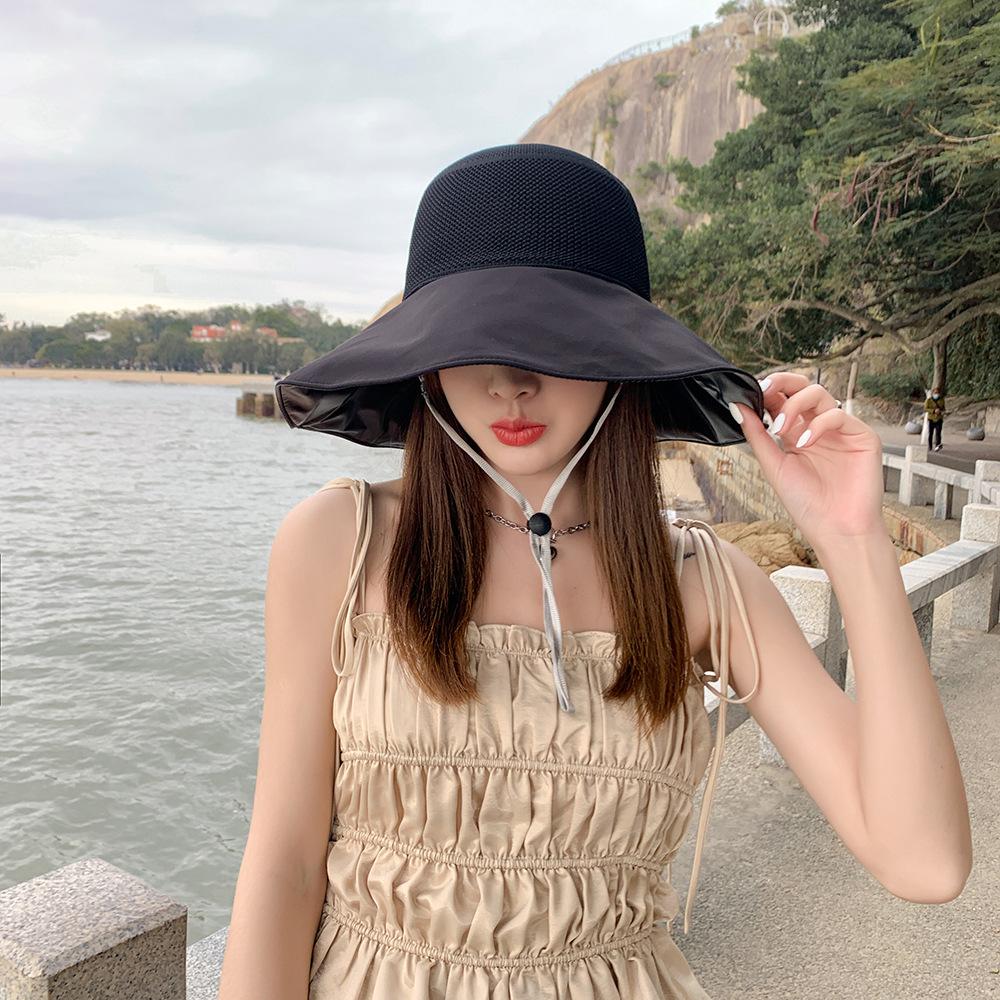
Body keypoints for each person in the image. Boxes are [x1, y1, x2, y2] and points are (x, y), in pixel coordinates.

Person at [219, 143, 971, 1000]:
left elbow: (924, 861)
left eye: (554, 342)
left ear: (618, 357)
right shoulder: (341, 543)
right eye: (472, 339)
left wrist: (854, 543)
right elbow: (283, 864)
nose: (511, 383)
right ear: (427, 358)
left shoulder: (702, 583)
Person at [925, 386, 947, 451]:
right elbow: (925, 408)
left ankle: (937, 446)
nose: (936, 394)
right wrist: (933, 411)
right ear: (932, 393)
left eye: (937, 393)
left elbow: (943, 408)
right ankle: (930, 446)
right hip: (931, 418)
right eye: (935, 393)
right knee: (930, 433)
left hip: (939, 418)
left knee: (938, 433)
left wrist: (940, 411)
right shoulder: (928, 400)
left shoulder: (942, 400)